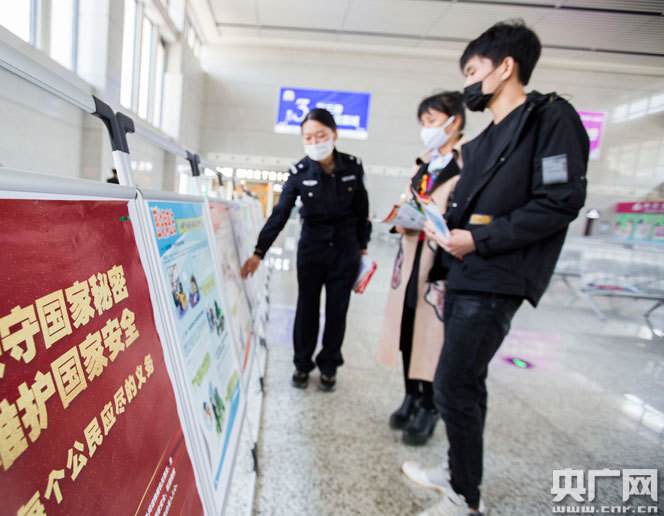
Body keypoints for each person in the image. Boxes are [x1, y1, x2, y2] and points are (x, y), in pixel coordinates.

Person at [402, 20, 589, 516]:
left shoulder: (549, 119)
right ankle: (460, 475)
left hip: (497, 276)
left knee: (451, 386)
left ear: (506, 67)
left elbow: (559, 202)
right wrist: (445, 238)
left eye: (472, 71)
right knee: (467, 383)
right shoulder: (483, 142)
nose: (467, 83)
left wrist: (479, 238)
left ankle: (465, 497)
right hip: (465, 272)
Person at [240, 108, 371, 392]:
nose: (314, 142)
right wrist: (259, 252)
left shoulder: (352, 166)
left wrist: (363, 249)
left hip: (345, 251)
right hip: (312, 250)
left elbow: (362, 211)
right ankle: (301, 364)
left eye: (320, 135)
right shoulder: (299, 172)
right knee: (306, 309)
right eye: (308, 137)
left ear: (334, 134)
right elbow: (280, 213)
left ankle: (329, 367)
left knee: (337, 311)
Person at [376, 91, 465, 446]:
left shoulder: (468, 163)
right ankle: (411, 394)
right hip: (412, 256)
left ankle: (430, 405)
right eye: (423, 123)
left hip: (442, 261)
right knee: (408, 326)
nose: (427, 129)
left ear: (454, 121)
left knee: (433, 335)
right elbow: (407, 200)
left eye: (432, 121)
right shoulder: (424, 163)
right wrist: (401, 218)